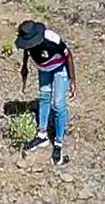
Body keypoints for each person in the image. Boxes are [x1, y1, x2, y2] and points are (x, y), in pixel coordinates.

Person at [15, 20, 76, 167]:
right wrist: (24, 69)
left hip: (60, 68)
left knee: (58, 104)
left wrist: (72, 80)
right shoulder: (27, 43)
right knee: (44, 97)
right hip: (43, 69)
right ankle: (42, 135)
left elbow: (68, 56)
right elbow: (26, 53)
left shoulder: (51, 38)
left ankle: (58, 143)